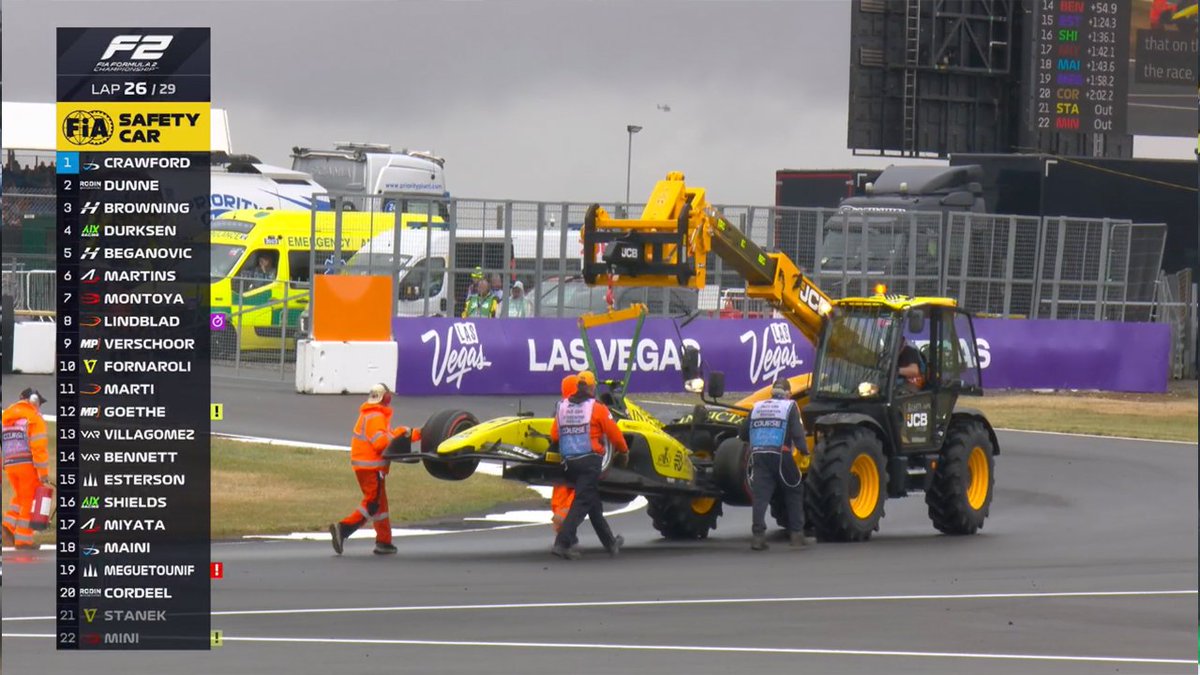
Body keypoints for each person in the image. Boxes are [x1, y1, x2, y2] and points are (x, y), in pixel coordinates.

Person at [330, 383, 420, 556]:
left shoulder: (371, 415)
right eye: (388, 397)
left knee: (380, 506)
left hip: (366, 466)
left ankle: (384, 542)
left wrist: (415, 433)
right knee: (372, 503)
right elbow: (381, 443)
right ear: (384, 398)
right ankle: (343, 529)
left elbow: (387, 437)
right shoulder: (375, 416)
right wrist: (400, 433)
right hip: (371, 467)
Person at [550, 373, 628, 559]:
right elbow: (614, 433)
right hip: (589, 462)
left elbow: (554, 435)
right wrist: (624, 451)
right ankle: (562, 543)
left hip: (569, 462)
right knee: (583, 502)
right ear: (592, 388)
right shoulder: (597, 408)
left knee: (593, 504)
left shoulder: (562, 407)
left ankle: (610, 543)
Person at [739, 376, 808, 551]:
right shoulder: (790, 406)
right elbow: (798, 433)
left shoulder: (757, 407)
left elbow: (742, 434)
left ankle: (758, 537)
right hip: (781, 454)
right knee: (794, 489)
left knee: (761, 497)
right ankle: (797, 535)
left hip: (759, 455)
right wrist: (804, 450)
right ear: (787, 393)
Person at [2, 388, 51, 550]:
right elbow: (38, 447)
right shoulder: (33, 417)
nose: (39, 407)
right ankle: (23, 540)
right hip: (27, 465)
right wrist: (43, 474)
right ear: (33, 400)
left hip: (10, 464)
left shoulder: (7, 415)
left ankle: (7, 526)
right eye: (39, 403)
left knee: (21, 497)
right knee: (29, 501)